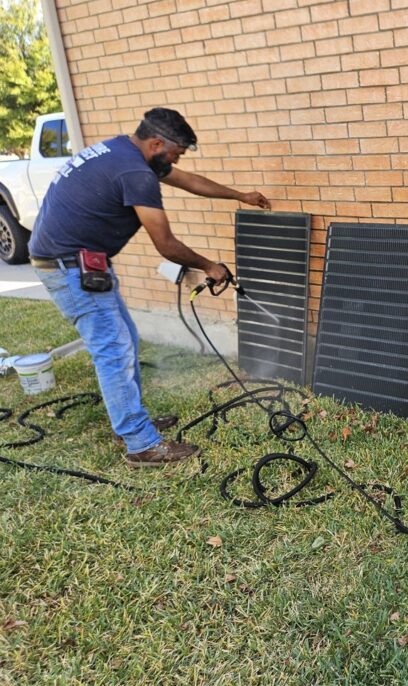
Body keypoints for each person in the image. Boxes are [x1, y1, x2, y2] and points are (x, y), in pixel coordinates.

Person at [28, 107, 271, 467]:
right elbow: (166, 245)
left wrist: (240, 195)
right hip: (69, 268)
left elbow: (190, 181)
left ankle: (129, 425)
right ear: (157, 143)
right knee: (115, 351)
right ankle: (141, 444)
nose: (176, 160)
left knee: (124, 342)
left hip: (75, 261)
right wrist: (209, 266)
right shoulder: (136, 173)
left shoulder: (123, 151)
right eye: (175, 153)